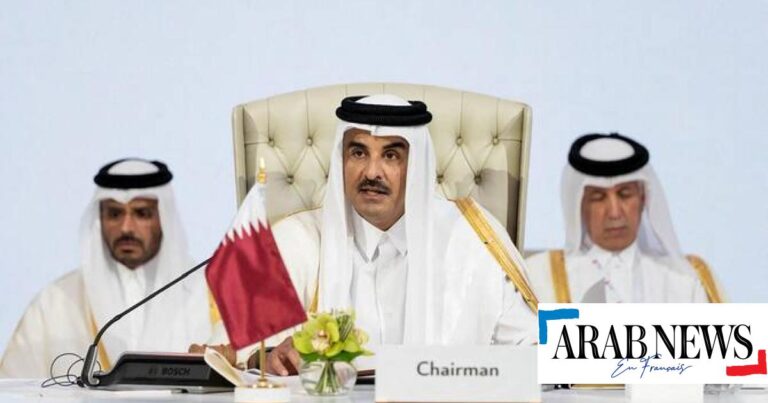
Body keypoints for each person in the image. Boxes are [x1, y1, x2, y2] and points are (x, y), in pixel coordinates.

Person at [194, 94, 539, 375]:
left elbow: (539, 352)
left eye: (391, 155)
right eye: (358, 152)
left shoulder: (472, 238)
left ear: (417, 166)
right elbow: (224, 359)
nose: (372, 172)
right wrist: (266, 359)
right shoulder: (291, 242)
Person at [0, 158, 214, 378]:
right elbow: (12, 386)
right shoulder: (55, 303)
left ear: (163, 218)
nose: (126, 228)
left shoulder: (209, 298)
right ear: (100, 219)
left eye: (141, 214)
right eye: (114, 214)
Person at [525, 133, 724, 304]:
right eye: (598, 197)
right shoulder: (540, 276)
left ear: (643, 199)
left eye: (625, 194)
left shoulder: (686, 281)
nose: (614, 212)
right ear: (580, 205)